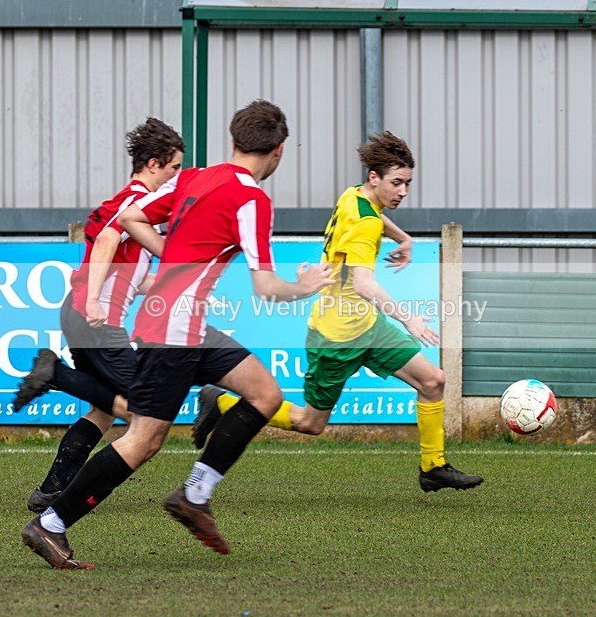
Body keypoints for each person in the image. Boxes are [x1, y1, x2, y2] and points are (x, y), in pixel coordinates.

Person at [21, 99, 333, 570]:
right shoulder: (252, 199)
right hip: (176, 329)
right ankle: (51, 524)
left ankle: (194, 496)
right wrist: (304, 288)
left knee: (265, 394)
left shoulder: (194, 177)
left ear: (233, 140)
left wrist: (173, 259)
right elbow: (266, 286)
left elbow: (130, 219)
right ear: (280, 152)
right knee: (144, 439)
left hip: (177, 321)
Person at [194, 131, 483, 493]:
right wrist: (408, 317)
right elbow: (364, 283)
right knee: (311, 424)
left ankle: (433, 467)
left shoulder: (354, 195)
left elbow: (375, 213)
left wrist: (404, 239)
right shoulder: (366, 223)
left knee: (433, 381)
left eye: (407, 184)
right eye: (397, 183)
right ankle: (220, 402)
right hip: (336, 336)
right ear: (374, 178)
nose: (403, 192)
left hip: (368, 328)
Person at [15, 117, 184, 513]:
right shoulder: (137, 201)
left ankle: (50, 491)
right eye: (174, 167)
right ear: (154, 164)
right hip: (95, 318)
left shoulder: (133, 202)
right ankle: (55, 374)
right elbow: (108, 238)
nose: (177, 176)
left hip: (84, 313)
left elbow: (128, 273)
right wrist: (94, 301)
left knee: (106, 409)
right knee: (142, 409)